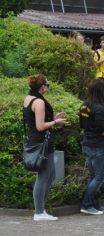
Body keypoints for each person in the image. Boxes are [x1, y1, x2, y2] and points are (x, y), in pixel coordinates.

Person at [23, 75, 69, 221]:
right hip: (42, 142)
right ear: (43, 87)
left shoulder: (28, 98)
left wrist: (53, 118)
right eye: (47, 85)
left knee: (51, 175)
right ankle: (39, 212)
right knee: (43, 177)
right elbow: (40, 126)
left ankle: (41, 209)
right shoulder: (39, 102)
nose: (47, 88)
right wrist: (55, 122)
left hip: (38, 140)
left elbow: (37, 120)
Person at [79, 79, 104, 215]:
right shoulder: (99, 107)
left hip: (87, 144)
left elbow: (84, 125)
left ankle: (95, 204)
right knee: (100, 176)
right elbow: (100, 130)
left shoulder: (84, 105)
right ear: (101, 91)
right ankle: (86, 204)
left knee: (93, 176)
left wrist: (103, 128)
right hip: (97, 146)